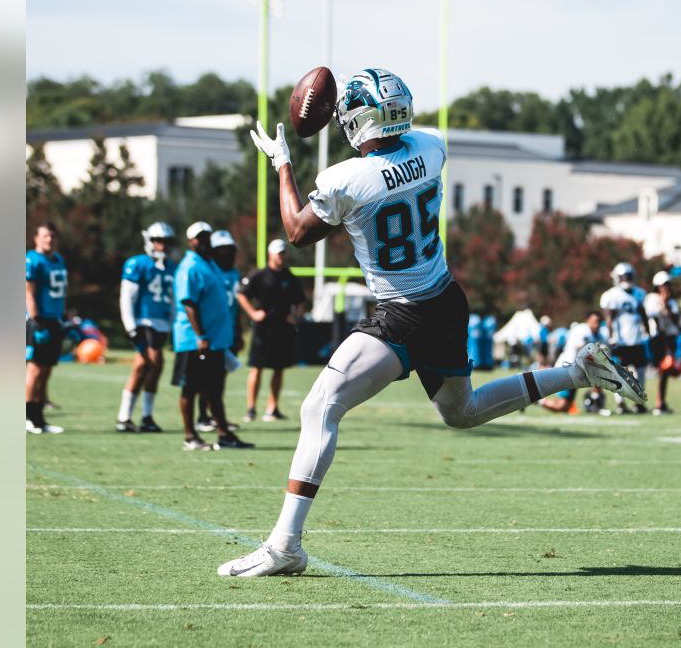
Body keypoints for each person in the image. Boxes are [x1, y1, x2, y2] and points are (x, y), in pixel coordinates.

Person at [220, 68, 644, 577]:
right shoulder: (432, 146)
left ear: (358, 121)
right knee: (461, 411)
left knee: (319, 408)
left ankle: (285, 545)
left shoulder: (344, 180)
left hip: (403, 313)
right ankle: (577, 372)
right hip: (445, 298)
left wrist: (283, 163)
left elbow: (295, 230)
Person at [171, 222, 254, 451]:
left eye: (207, 237)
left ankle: (224, 434)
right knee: (191, 387)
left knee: (214, 389)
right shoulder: (190, 266)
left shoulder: (209, 265)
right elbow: (189, 304)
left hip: (216, 340)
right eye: (200, 238)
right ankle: (190, 436)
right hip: (194, 340)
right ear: (191, 241)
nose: (204, 241)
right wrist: (200, 336)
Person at [116, 222, 176, 433]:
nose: (164, 246)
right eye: (160, 241)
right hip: (144, 322)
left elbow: (172, 300)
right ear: (150, 241)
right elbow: (127, 298)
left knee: (148, 368)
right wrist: (131, 326)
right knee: (151, 363)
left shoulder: (171, 267)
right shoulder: (137, 264)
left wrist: (172, 322)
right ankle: (130, 417)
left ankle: (139, 417)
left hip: (161, 323)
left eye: (167, 242)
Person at [238, 239, 306, 422]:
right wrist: (252, 313)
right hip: (263, 329)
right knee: (257, 368)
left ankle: (272, 408)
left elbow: (300, 301)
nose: (282, 256)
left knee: (279, 369)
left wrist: (296, 316)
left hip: (283, 329)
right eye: (279, 253)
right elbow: (241, 294)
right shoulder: (259, 275)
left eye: (284, 253)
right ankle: (251, 408)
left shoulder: (289, 276)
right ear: (270, 254)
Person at [197, 230, 244, 432]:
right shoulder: (209, 271)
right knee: (206, 376)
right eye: (222, 249)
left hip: (228, 331)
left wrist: (239, 330)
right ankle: (202, 416)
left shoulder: (234, 274)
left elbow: (236, 307)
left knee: (220, 376)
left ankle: (216, 416)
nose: (226, 253)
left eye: (229, 249)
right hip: (212, 332)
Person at [25, 222, 67, 434]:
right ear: (36, 238)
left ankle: (39, 418)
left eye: (51, 236)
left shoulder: (58, 260)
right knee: (34, 369)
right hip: (38, 320)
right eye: (44, 236)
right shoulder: (32, 260)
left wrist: (63, 315)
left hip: (54, 319)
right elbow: (28, 292)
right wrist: (35, 319)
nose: (48, 240)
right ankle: (27, 416)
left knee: (46, 371)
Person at [599, 262, 650, 413]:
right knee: (619, 373)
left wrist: (647, 331)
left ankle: (639, 401)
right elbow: (609, 318)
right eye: (623, 276)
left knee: (640, 371)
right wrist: (611, 336)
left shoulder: (639, 293)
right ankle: (621, 403)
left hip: (637, 339)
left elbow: (643, 313)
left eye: (629, 276)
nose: (626, 279)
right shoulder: (611, 295)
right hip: (620, 342)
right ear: (617, 277)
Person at [551, 311, 611, 414]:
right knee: (562, 406)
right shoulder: (581, 330)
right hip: (568, 368)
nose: (596, 324)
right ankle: (537, 402)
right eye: (594, 321)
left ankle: (595, 402)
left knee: (600, 376)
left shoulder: (600, 334)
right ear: (588, 320)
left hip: (580, 369)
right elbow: (582, 350)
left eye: (598, 322)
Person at [643, 270, 681, 414]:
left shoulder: (672, 302)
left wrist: (666, 305)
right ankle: (657, 402)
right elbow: (655, 320)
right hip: (658, 338)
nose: (666, 288)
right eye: (663, 285)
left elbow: (676, 320)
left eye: (668, 285)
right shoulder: (652, 299)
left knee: (666, 371)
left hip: (670, 337)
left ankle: (661, 402)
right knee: (661, 369)